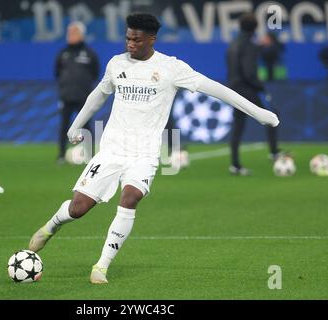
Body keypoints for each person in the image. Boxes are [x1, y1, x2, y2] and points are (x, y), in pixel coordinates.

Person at [29, 13, 279, 284]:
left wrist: (258, 112)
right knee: (78, 208)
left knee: (131, 197)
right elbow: (99, 95)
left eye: (136, 39)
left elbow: (217, 89)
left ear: (151, 39)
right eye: (127, 38)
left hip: (145, 152)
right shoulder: (116, 64)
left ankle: (101, 265)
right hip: (112, 149)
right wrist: (76, 126)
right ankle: (51, 226)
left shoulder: (171, 68)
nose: (130, 44)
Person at [226, 13, 281, 176]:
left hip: (233, 88)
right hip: (246, 89)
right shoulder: (249, 45)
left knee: (238, 126)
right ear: (255, 28)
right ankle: (274, 153)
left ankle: (235, 165)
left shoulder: (232, 44)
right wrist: (261, 87)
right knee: (272, 115)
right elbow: (249, 72)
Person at [55, 21, 100, 164]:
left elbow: (95, 73)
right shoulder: (63, 54)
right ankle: (61, 155)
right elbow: (57, 73)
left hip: (84, 97)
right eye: (69, 33)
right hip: (66, 96)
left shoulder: (89, 54)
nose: (70, 35)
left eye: (74, 32)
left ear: (81, 34)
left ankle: (90, 156)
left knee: (86, 126)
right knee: (64, 126)